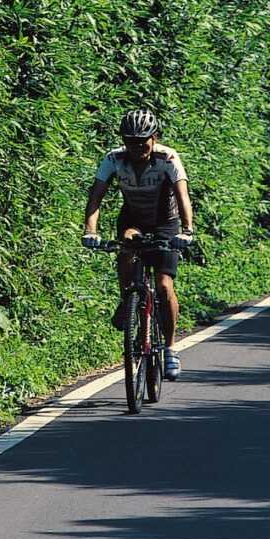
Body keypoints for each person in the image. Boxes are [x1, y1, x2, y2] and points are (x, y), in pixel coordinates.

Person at [81, 108, 194, 380]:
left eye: (142, 140)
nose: (136, 147)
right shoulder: (114, 159)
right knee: (125, 253)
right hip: (133, 219)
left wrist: (188, 230)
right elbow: (96, 196)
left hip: (166, 223)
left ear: (154, 138)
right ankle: (129, 298)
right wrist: (90, 230)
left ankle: (169, 348)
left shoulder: (168, 158)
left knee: (164, 285)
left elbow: (182, 196)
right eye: (130, 140)